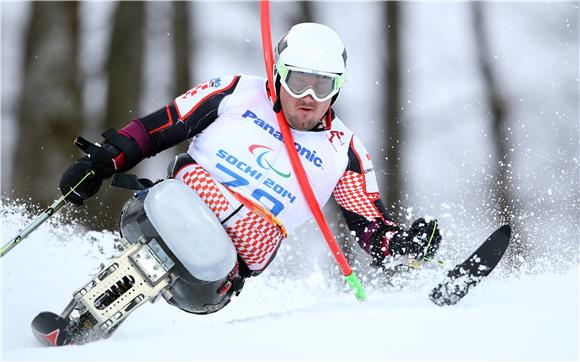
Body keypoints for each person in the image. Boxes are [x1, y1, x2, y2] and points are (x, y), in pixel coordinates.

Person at [59, 23, 441, 312]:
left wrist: (401, 244)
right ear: (279, 74)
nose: (308, 99)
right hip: (169, 211)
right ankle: (85, 315)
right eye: (298, 83)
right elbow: (159, 128)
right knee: (182, 204)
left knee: (232, 242)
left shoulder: (345, 151)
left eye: (321, 88)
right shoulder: (237, 92)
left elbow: (370, 224)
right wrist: (106, 159)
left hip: (222, 267)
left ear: (337, 89)